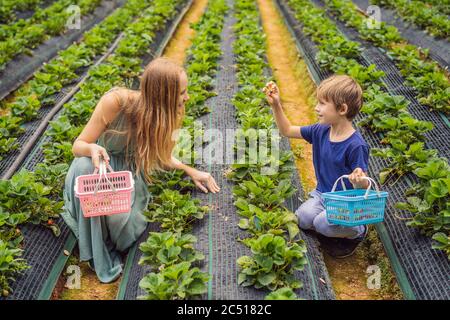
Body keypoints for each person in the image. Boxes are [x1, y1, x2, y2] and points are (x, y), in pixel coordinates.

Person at [62, 57, 220, 282]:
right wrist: (92, 148)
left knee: (124, 228)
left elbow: (162, 156)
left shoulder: (164, 115)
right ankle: (95, 246)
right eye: (182, 92)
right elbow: (77, 146)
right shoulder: (115, 102)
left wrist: (189, 170)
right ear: (163, 94)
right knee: (85, 168)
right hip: (98, 168)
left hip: (126, 175)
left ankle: (105, 235)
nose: (187, 97)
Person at [264, 75, 370, 258]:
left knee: (321, 223)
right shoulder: (321, 130)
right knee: (303, 218)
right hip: (323, 195)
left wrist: (359, 180)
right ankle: (333, 228)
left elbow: (364, 187)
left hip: (347, 203)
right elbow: (287, 130)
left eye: (322, 104)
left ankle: (357, 231)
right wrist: (276, 104)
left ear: (342, 109)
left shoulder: (356, 145)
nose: (316, 108)